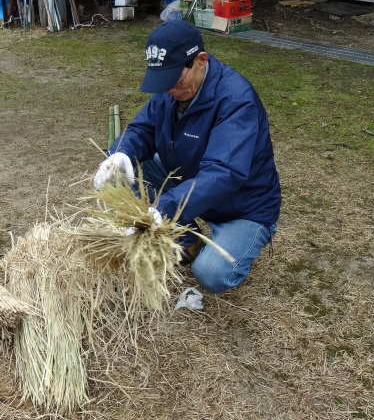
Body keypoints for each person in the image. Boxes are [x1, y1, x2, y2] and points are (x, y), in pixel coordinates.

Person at [93, 20, 281, 293]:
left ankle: (231, 240)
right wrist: (121, 153)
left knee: (211, 274)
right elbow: (142, 128)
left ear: (200, 61)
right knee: (124, 174)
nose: (169, 89)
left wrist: (166, 207)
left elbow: (223, 173)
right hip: (191, 179)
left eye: (175, 80)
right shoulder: (172, 89)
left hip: (241, 206)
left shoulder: (236, 101)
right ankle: (188, 239)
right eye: (161, 80)